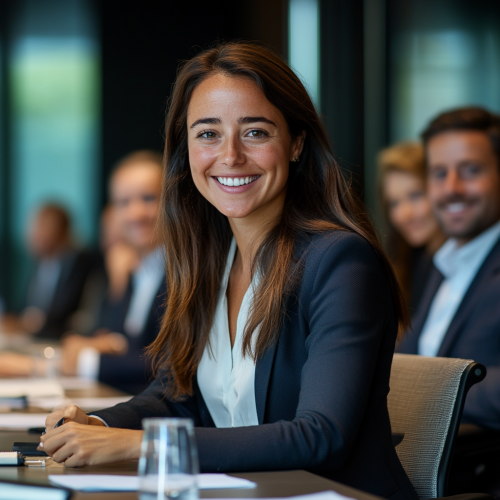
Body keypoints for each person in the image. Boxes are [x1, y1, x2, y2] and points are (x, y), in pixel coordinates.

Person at [40, 42, 417, 500]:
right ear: (186, 148)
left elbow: (320, 435)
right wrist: (97, 424)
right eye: (208, 134)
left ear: (296, 142)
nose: (231, 156)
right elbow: (178, 395)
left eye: (256, 132)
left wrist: (144, 445)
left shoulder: (338, 260)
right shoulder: (211, 258)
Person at [397, 107, 500, 430]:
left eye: (470, 170)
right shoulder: (438, 262)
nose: (452, 187)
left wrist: (423, 389)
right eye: (439, 173)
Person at [61, 150, 166, 394]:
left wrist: (87, 360)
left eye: (149, 199)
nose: (136, 214)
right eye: (123, 203)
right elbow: (120, 341)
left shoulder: (189, 271)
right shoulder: (133, 270)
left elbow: (171, 364)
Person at [1, 204, 98, 339]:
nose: (36, 233)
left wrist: (31, 322)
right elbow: (23, 306)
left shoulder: (80, 262)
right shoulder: (38, 263)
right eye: (36, 226)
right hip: (31, 338)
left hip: (60, 339)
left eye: (45, 226)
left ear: (63, 231)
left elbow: (67, 311)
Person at [378, 142, 445, 312]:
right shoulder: (412, 260)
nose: (404, 214)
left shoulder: (453, 265)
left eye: (415, 195)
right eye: (394, 203)